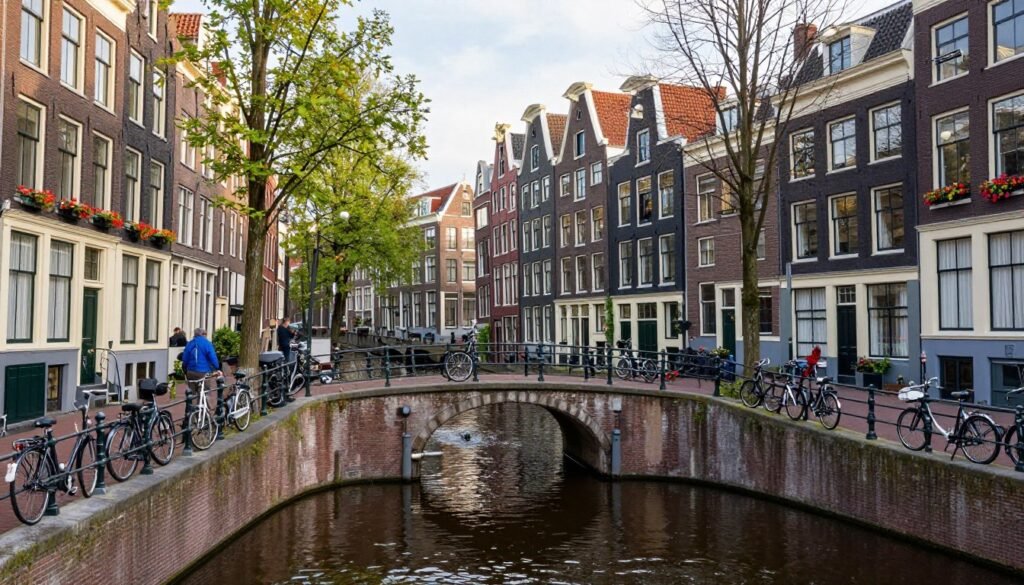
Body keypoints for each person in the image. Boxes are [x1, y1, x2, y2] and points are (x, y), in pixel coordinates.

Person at [182, 328, 222, 394]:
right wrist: (217, 367)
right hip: (203, 372)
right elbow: (213, 357)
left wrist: (185, 369)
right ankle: (203, 402)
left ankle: (192, 403)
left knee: (191, 393)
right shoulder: (207, 343)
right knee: (204, 392)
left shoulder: (190, 343)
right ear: (204, 335)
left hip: (191, 372)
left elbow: (185, 359)